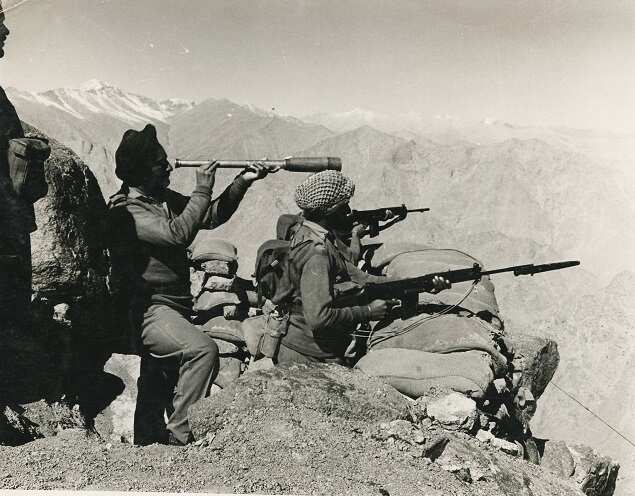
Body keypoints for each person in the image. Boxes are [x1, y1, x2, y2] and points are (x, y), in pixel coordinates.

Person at [105, 123, 268, 445]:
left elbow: (207, 217)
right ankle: (181, 439)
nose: (168, 167)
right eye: (159, 163)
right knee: (201, 351)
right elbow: (177, 234)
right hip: (148, 309)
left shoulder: (159, 200)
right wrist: (202, 188)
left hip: (172, 305)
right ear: (140, 171)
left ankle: (148, 446)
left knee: (158, 378)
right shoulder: (128, 210)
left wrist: (242, 181)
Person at [277, 170, 450, 365]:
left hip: (307, 344)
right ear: (329, 210)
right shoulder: (317, 252)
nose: (349, 211)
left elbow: (360, 278)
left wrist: (419, 283)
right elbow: (318, 318)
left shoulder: (314, 234)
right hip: (307, 353)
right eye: (344, 206)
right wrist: (368, 311)